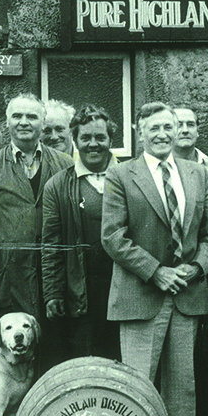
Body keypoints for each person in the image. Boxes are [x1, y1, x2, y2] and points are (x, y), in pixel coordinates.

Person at [102, 102, 208, 416]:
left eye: (168, 127)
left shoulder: (198, 174)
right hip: (141, 294)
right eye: (154, 128)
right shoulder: (121, 174)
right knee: (137, 386)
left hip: (186, 294)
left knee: (182, 385)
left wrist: (197, 266)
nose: (162, 134)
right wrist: (156, 273)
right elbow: (112, 237)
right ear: (139, 131)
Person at [0, 94, 73, 363]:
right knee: (9, 365)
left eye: (32, 117)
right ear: (7, 121)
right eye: (17, 116)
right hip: (7, 281)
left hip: (54, 280)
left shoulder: (65, 165)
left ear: (42, 123)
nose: (24, 122)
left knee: (54, 355)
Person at [42, 104, 121, 367]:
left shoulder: (129, 177)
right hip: (81, 292)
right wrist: (53, 292)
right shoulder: (58, 185)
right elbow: (51, 245)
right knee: (84, 366)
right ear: (75, 140)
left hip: (124, 290)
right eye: (85, 138)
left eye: (100, 137)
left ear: (111, 139)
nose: (93, 144)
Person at [172, 105, 208, 179]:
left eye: (190, 125)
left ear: (197, 132)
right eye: (179, 125)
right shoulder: (157, 167)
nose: (185, 130)